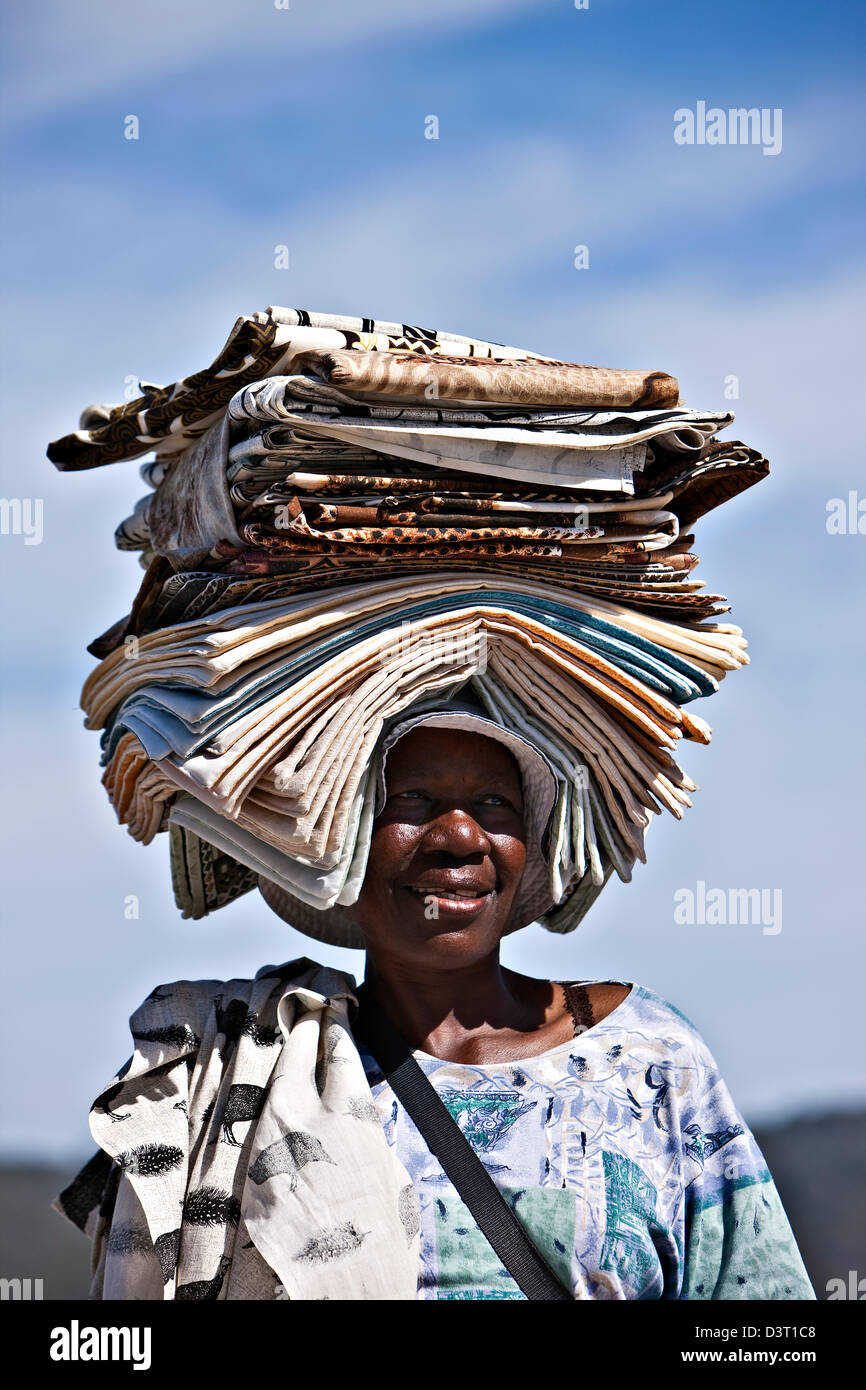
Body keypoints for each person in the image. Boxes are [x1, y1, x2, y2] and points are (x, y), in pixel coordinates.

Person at [54, 705, 815, 1301]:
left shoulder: (648, 1061)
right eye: (413, 799)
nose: (458, 835)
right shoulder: (249, 1066)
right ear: (345, 845)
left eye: (493, 803)